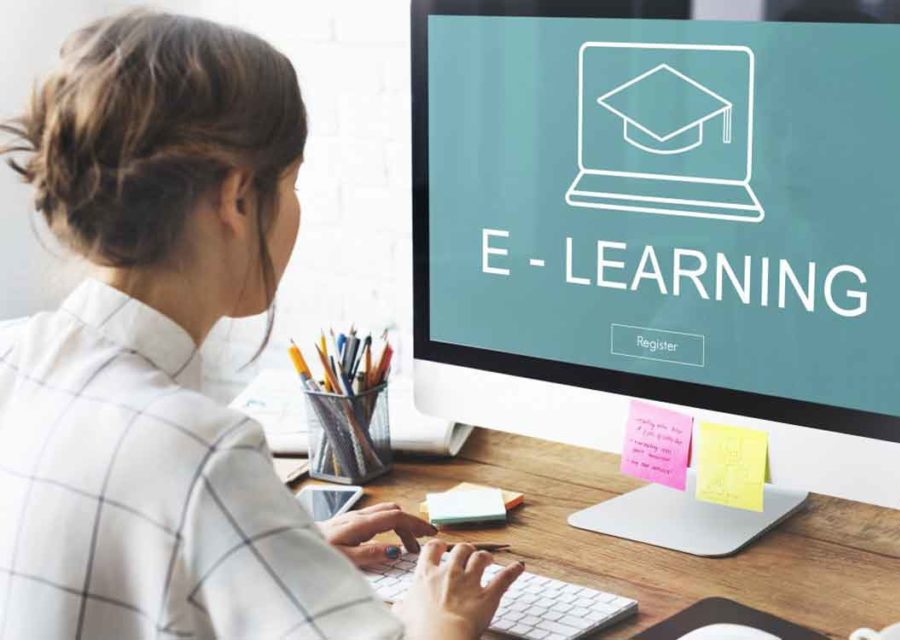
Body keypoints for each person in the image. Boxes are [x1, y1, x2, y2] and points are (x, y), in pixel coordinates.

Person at [0, 9, 523, 640]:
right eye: (292, 182)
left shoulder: (12, 358)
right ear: (237, 198)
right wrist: (442, 619)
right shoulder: (201, 453)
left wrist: (271, 552)